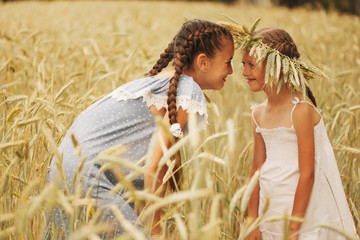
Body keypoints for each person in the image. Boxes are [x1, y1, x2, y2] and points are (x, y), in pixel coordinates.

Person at [46, 19, 234, 239]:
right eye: (228, 62)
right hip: (88, 174)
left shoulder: (162, 83)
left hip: (64, 167)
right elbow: (156, 165)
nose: (231, 71)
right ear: (203, 62)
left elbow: (169, 156)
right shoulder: (188, 89)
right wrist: (156, 230)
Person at [234, 25, 358, 239]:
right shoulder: (258, 114)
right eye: (243, 64)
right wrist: (252, 218)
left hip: (301, 215)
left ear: (276, 66)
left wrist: (294, 227)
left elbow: (308, 172)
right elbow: (256, 169)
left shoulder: (300, 110)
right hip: (270, 211)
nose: (244, 71)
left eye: (251, 65)